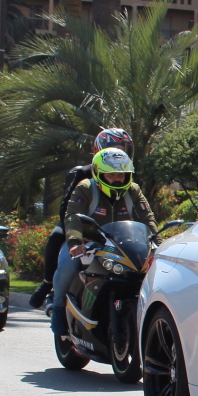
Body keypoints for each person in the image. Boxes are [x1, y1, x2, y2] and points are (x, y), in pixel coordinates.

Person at [50, 147, 159, 343]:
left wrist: (156, 241)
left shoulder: (133, 190)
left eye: (122, 175)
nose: (117, 179)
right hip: (90, 243)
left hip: (122, 245)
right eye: (111, 175)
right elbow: (72, 216)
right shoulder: (85, 187)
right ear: (99, 174)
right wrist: (75, 242)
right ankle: (57, 308)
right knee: (67, 265)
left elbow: (147, 217)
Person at [29, 128, 134, 309]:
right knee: (56, 238)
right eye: (115, 147)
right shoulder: (80, 174)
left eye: (123, 148)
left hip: (114, 231)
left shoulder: (129, 175)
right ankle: (49, 287)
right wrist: (81, 235)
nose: (119, 154)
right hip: (80, 227)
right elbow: (67, 208)